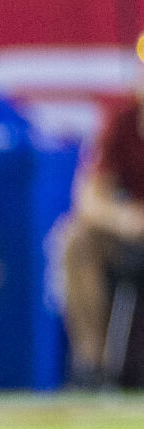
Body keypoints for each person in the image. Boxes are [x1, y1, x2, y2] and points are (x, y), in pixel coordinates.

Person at [60, 83, 144, 389]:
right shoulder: (122, 124)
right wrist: (124, 218)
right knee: (77, 241)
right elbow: (88, 198)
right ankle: (92, 366)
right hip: (134, 239)